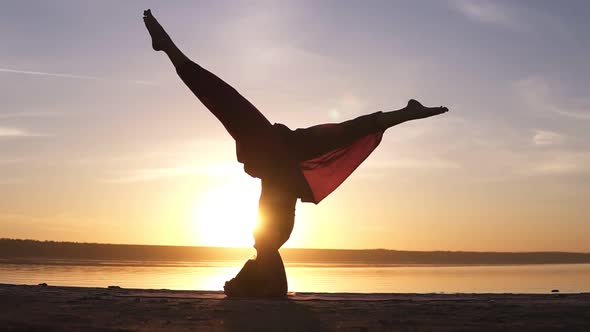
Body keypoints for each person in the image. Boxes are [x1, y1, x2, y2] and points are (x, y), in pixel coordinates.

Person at [143, 9, 448, 297]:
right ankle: (168, 47)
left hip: (274, 155)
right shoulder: (271, 229)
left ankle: (168, 47)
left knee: (223, 99)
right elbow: (348, 130)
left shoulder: (268, 231)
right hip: (279, 160)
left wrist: (169, 47)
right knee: (230, 102)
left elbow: (214, 93)